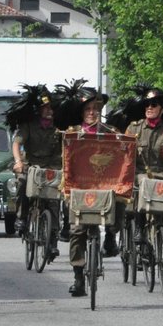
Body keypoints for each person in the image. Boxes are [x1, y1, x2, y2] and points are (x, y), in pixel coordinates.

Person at [63, 87, 121, 297]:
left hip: (103, 187)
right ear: (82, 112)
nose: (92, 112)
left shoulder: (109, 132)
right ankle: (79, 277)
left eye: (96, 108)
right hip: (80, 189)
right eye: (88, 109)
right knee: (77, 231)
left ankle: (111, 237)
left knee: (122, 200)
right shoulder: (73, 132)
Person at [126, 87, 163, 280]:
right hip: (139, 176)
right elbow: (124, 155)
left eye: (154, 104)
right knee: (143, 182)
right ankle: (139, 227)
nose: (149, 107)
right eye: (147, 104)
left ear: (162, 108)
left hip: (162, 177)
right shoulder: (134, 128)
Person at [10, 90, 62, 263]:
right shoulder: (29, 125)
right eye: (45, 108)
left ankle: (53, 240)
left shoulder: (59, 126)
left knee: (54, 201)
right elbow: (17, 143)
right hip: (31, 164)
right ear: (39, 110)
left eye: (50, 108)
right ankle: (22, 217)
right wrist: (18, 161)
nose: (49, 111)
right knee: (23, 182)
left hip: (52, 167)